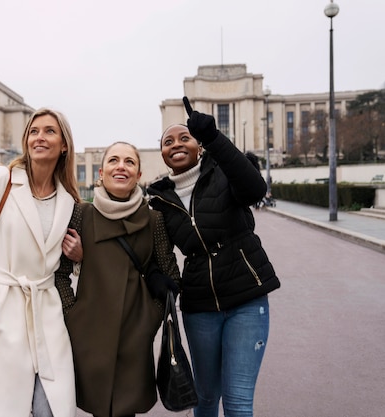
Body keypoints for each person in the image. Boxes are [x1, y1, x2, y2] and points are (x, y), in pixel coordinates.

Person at [147, 97, 281, 417]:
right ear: (162, 153)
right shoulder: (159, 201)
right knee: (205, 398)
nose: (176, 144)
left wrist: (215, 138)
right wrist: (156, 275)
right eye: (168, 141)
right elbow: (156, 253)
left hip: (247, 299)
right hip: (200, 306)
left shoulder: (224, 173)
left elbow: (254, 189)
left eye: (185, 137)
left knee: (237, 402)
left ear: (199, 146)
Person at [0, 107, 82, 417]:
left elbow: (62, 262)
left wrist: (79, 258)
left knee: (51, 408)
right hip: (1, 312)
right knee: (1, 407)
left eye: (49, 131)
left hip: (46, 315)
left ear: (64, 145)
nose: (40, 137)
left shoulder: (69, 201)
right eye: (34, 131)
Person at [55, 141, 181, 417]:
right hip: (90, 333)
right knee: (98, 409)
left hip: (135, 336)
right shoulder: (81, 213)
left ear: (138, 175)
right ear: (101, 173)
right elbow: (60, 272)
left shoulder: (153, 219)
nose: (121, 166)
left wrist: (149, 321)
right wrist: (73, 314)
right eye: (113, 160)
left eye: (129, 162)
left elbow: (172, 276)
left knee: (126, 411)